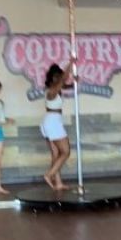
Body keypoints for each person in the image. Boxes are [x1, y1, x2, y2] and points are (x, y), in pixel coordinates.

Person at [40, 61, 73, 190]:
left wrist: (73, 83)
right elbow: (64, 79)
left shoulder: (54, 90)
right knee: (65, 152)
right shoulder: (53, 90)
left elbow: (65, 85)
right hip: (53, 122)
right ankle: (49, 175)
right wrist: (71, 62)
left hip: (50, 121)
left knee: (56, 154)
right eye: (59, 77)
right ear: (54, 78)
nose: (62, 80)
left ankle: (58, 183)